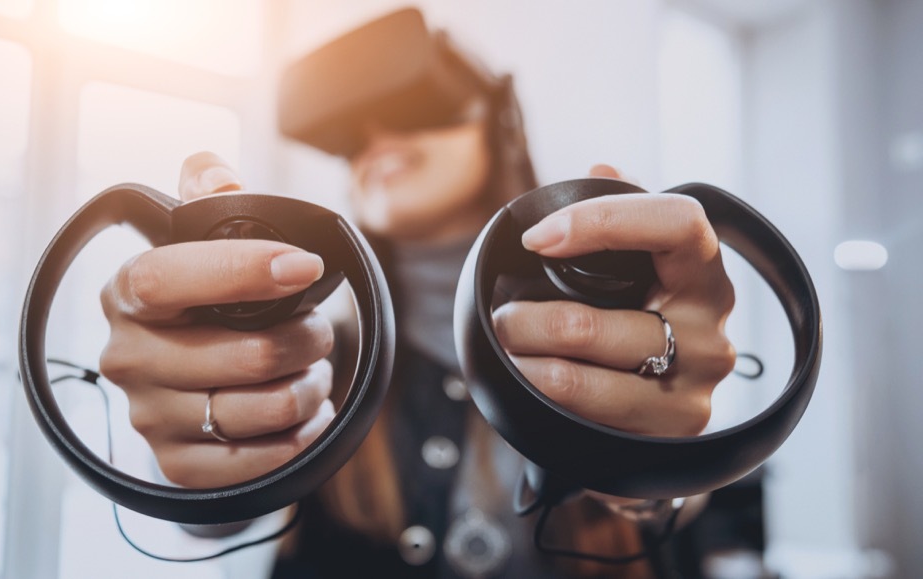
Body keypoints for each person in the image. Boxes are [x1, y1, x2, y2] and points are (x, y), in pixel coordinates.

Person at [98, 9, 736, 579]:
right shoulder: (307, 351)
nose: (376, 139)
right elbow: (213, 518)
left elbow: (675, 510)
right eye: (349, 136)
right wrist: (196, 450)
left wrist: (661, 470)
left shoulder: (613, 319)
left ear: (496, 122)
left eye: (411, 107)